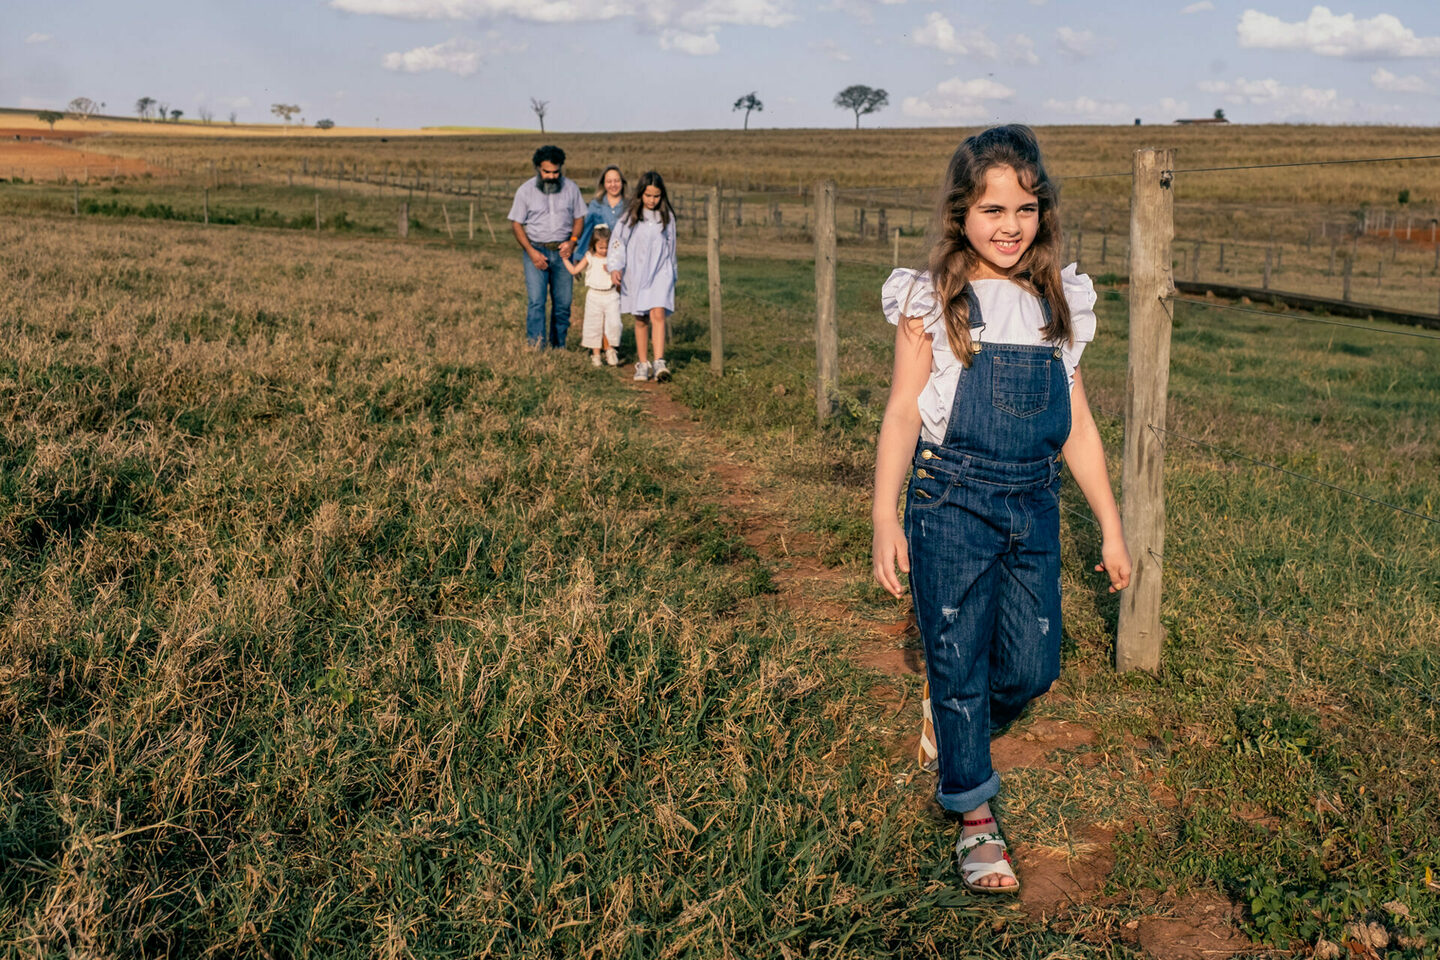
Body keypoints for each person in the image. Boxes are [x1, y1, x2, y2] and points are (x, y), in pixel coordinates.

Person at [870, 125, 1132, 894]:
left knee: (1031, 666)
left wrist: (1111, 527)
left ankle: (956, 719)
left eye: (1024, 208)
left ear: (1043, 211)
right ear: (962, 213)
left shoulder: (1059, 302)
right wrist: (884, 514)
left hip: (1033, 505)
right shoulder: (933, 298)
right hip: (950, 499)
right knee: (957, 656)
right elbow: (902, 412)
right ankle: (974, 815)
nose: (1010, 225)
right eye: (992, 209)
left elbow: (1078, 426)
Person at [507, 145, 586, 349]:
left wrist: (572, 242)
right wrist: (531, 252)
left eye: (556, 172)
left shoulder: (571, 189)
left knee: (563, 304)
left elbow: (579, 218)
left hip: (563, 253)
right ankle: (536, 347)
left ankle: (559, 346)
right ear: (538, 169)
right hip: (536, 251)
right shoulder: (525, 191)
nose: (551, 176)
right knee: (536, 301)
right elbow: (516, 224)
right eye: (547, 172)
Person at [608, 171, 678, 382]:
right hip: (637, 272)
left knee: (658, 313)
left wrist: (672, 274)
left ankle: (659, 362)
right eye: (648, 195)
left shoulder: (666, 217)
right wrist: (616, 267)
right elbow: (618, 242)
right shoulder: (630, 217)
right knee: (641, 318)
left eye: (656, 196)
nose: (652, 200)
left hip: (660, 271)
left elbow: (671, 246)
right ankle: (643, 363)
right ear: (641, 194)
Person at [563, 225, 622, 367]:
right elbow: (574, 270)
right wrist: (564, 259)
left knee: (613, 323)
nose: (604, 251)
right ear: (594, 245)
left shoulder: (614, 259)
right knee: (594, 324)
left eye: (607, 247)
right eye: (601, 247)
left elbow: (622, 276)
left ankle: (610, 349)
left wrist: (613, 269)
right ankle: (596, 354)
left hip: (611, 295)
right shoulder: (590, 257)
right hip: (594, 295)